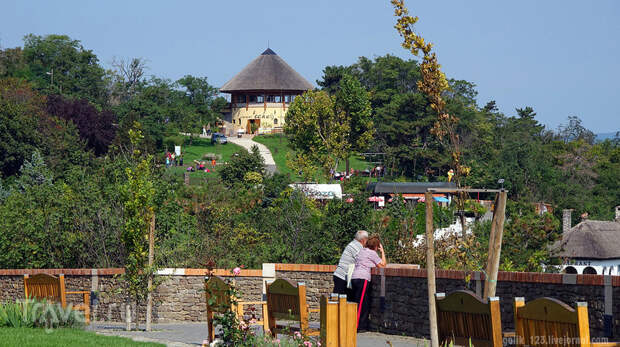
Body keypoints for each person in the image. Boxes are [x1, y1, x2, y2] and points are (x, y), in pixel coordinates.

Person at [351, 235, 386, 332]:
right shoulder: (372, 253)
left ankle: (362, 325)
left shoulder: (362, 251)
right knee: (361, 303)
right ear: (376, 246)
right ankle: (357, 326)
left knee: (361, 302)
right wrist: (382, 252)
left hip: (355, 278)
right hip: (363, 279)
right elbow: (383, 265)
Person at [332, 230, 368, 296]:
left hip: (341, 275)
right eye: (367, 239)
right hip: (343, 277)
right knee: (337, 302)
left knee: (338, 301)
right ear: (363, 240)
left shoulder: (353, 243)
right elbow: (363, 260)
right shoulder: (357, 247)